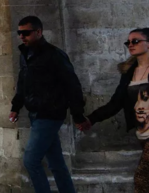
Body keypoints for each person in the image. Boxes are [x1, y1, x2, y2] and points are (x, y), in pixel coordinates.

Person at [10, 16, 86, 193]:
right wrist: (16, 106)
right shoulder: (26, 55)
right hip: (35, 114)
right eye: (20, 33)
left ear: (38, 32)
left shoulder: (54, 55)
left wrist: (78, 115)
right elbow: (23, 83)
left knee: (31, 161)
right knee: (56, 162)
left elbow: (72, 85)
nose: (22, 36)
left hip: (49, 114)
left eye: (26, 33)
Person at [76, 28, 149, 190]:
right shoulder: (129, 73)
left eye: (135, 41)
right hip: (142, 133)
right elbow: (116, 103)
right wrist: (92, 118)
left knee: (142, 179)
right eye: (128, 42)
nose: (130, 45)